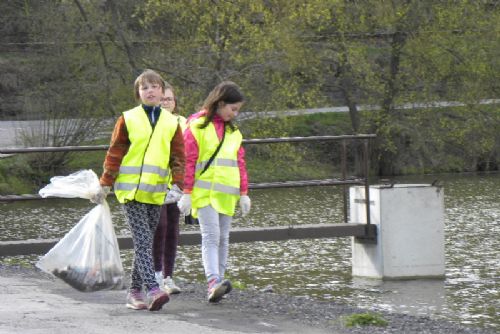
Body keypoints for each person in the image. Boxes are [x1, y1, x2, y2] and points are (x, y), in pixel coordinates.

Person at [92, 69, 185, 311]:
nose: (150, 91)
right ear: (138, 93)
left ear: (163, 91)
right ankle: (153, 289)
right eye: (145, 88)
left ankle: (134, 292)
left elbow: (178, 156)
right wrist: (105, 182)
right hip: (130, 191)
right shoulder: (128, 118)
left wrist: (180, 186)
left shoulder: (171, 122)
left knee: (147, 240)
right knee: (143, 241)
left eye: (155, 86)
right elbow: (115, 152)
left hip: (156, 192)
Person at [177, 81, 251, 303]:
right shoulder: (197, 126)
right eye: (233, 108)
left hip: (226, 194)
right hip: (204, 192)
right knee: (211, 236)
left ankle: (218, 283)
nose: (235, 114)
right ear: (220, 103)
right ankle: (213, 281)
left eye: (237, 110)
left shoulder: (234, 132)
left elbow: (240, 162)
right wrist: (187, 192)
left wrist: (244, 193)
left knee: (223, 238)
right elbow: (188, 161)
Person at [152, 82, 186, 294]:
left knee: (173, 228)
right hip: (155, 183)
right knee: (160, 227)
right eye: (162, 99)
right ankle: (155, 275)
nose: (166, 103)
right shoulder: (152, 121)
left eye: (169, 99)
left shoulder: (182, 122)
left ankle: (168, 276)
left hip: (177, 184)